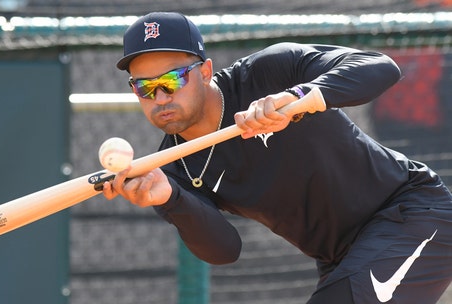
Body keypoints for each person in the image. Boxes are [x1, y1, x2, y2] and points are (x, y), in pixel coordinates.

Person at [102, 11, 452, 303]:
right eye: (144, 87)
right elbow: (225, 250)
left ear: (205, 71)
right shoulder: (172, 167)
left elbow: (380, 67)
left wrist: (301, 97)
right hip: (339, 258)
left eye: (172, 80)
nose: (160, 97)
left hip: (411, 212)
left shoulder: (268, 72)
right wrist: (170, 198)